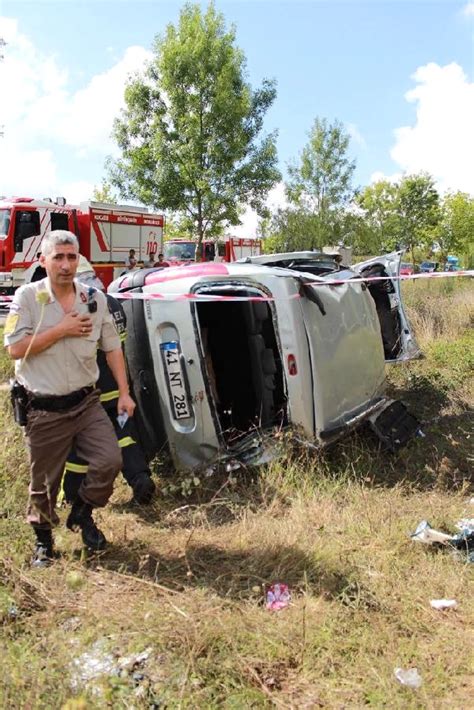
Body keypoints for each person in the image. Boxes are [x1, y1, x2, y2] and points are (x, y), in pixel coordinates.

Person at [3, 230, 135, 567]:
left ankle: (82, 512)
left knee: (110, 461)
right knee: (43, 486)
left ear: (79, 260)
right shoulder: (27, 297)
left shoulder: (94, 298)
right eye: (58, 257)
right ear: (43, 261)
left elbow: (112, 347)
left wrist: (123, 392)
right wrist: (61, 329)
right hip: (44, 409)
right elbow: (16, 348)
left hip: (86, 403)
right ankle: (44, 542)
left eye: (71, 257)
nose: (65, 265)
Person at [62, 282, 156, 506]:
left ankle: (72, 495)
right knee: (124, 435)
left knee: (77, 444)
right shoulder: (113, 303)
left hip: (89, 389)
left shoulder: (84, 307)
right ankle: (140, 479)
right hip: (116, 386)